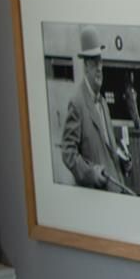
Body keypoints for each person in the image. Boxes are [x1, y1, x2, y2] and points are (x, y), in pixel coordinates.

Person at [57, 29, 133, 195]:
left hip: (117, 190)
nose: (99, 68)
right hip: (97, 196)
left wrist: (122, 162)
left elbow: (106, 148)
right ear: (85, 66)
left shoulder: (104, 104)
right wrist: (89, 174)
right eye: (93, 62)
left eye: (100, 62)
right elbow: (68, 151)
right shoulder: (77, 103)